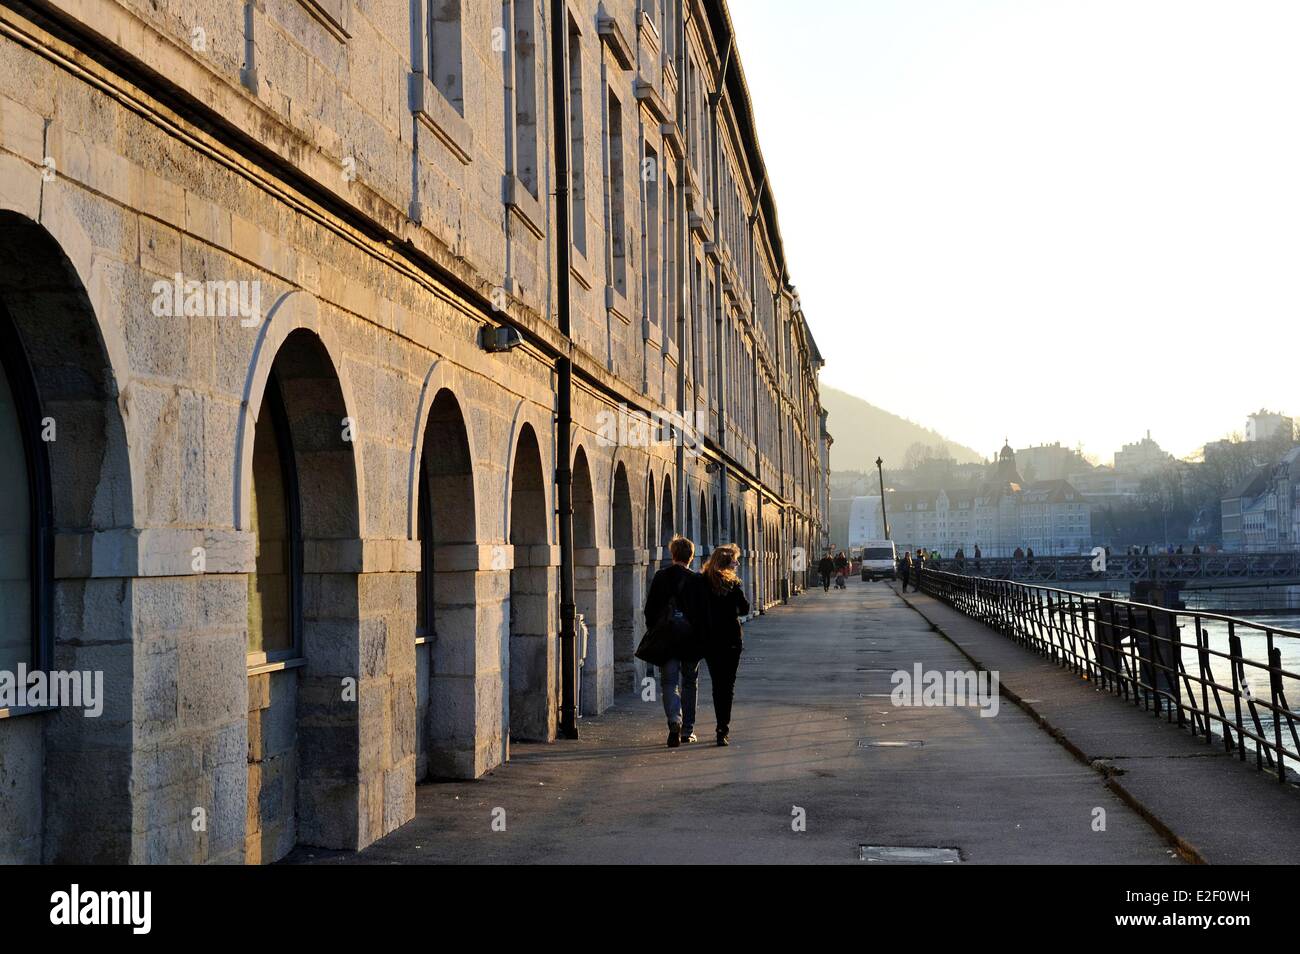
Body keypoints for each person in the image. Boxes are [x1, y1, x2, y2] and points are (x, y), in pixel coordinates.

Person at [643, 535, 705, 748]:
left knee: (669, 683)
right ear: (691, 556)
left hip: (667, 638)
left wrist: (655, 630)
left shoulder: (661, 577)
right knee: (690, 682)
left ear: (673, 554)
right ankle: (688, 730)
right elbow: (703, 613)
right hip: (691, 639)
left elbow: (649, 610)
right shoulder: (697, 580)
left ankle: (674, 721)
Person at [697, 543, 749, 746]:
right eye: (735, 560)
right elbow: (744, 608)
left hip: (710, 639)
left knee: (717, 683)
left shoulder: (702, 581)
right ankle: (722, 729)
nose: (737, 563)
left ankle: (721, 726)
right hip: (731, 639)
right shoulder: (733, 585)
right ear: (728, 563)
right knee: (727, 685)